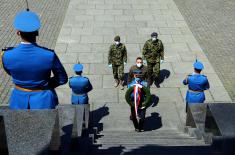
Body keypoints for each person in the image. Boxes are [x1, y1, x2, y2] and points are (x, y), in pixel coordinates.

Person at [1, 10, 68, 109]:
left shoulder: (6, 55)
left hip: (18, 101)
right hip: (44, 101)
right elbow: (62, 79)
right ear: (37, 32)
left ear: (18, 32)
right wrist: (45, 85)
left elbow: (10, 71)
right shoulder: (49, 55)